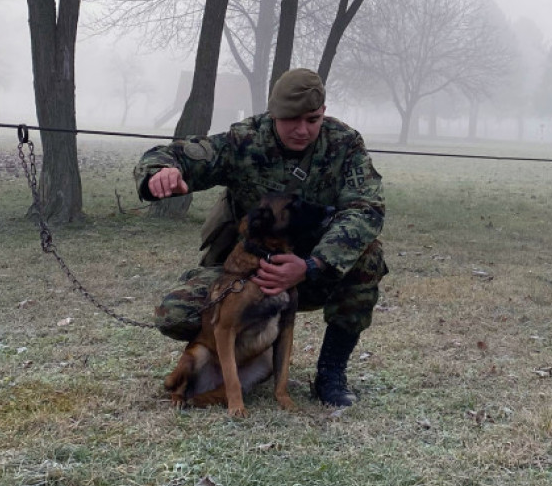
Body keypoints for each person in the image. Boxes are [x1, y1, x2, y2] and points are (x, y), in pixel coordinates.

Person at [134, 68, 387, 407]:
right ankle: (224, 363)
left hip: (310, 271)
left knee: (368, 256)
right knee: (174, 312)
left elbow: (366, 207)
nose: (302, 129)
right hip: (244, 274)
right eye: (291, 119)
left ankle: (330, 373)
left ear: (323, 112)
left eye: (312, 119)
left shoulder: (344, 143)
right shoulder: (245, 140)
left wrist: (313, 264)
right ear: (273, 114)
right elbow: (182, 154)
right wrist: (160, 172)